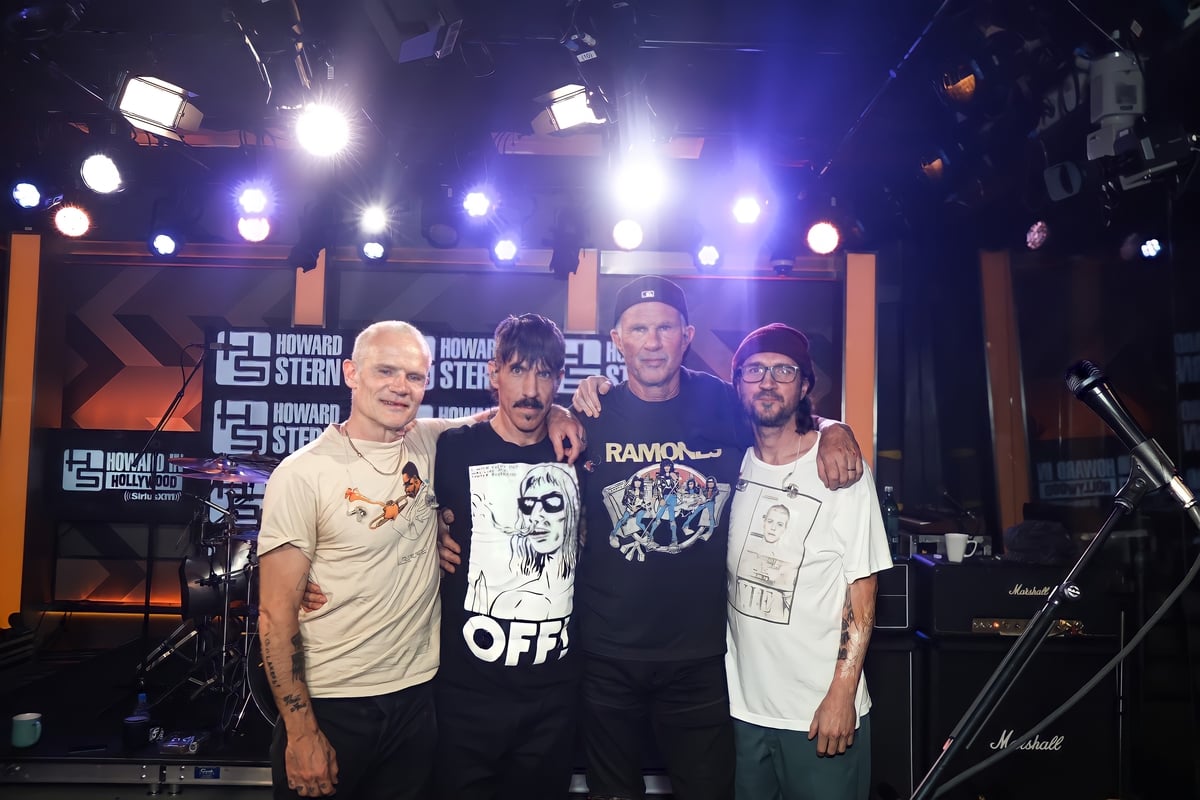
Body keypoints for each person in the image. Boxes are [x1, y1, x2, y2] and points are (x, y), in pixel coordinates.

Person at [565, 276, 864, 800]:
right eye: (638, 329)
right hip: (606, 653)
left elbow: (781, 415)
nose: (652, 342)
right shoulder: (592, 414)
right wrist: (556, 412)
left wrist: (835, 428)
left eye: (665, 328)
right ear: (617, 339)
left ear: (687, 336)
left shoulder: (723, 402)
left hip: (701, 657)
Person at [256, 319, 582, 800]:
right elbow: (273, 614)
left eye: (414, 376)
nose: (400, 387)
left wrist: (561, 413)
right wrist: (301, 732)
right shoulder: (302, 473)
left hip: (417, 699)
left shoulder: (430, 443)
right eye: (385, 371)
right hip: (334, 701)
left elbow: (514, 412)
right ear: (351, 373)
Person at [726, 323, 892, 800]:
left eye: (784, 370)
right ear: (738, 384)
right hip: (744, 711)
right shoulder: (732, 461)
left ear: (804, 386)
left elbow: (863, 586)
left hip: (819, 713)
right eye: (754, 370)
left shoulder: (839, 469)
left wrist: (843, 693)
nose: (767, 382)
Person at [431, 313, 582, 800]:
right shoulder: (451, 449)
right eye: (517, 370)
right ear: (493, 373)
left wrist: (564, 414)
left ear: (559, 379)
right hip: (466, 695)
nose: (531, 391)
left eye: (544, 374)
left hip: (553, 697)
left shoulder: (576, 451)